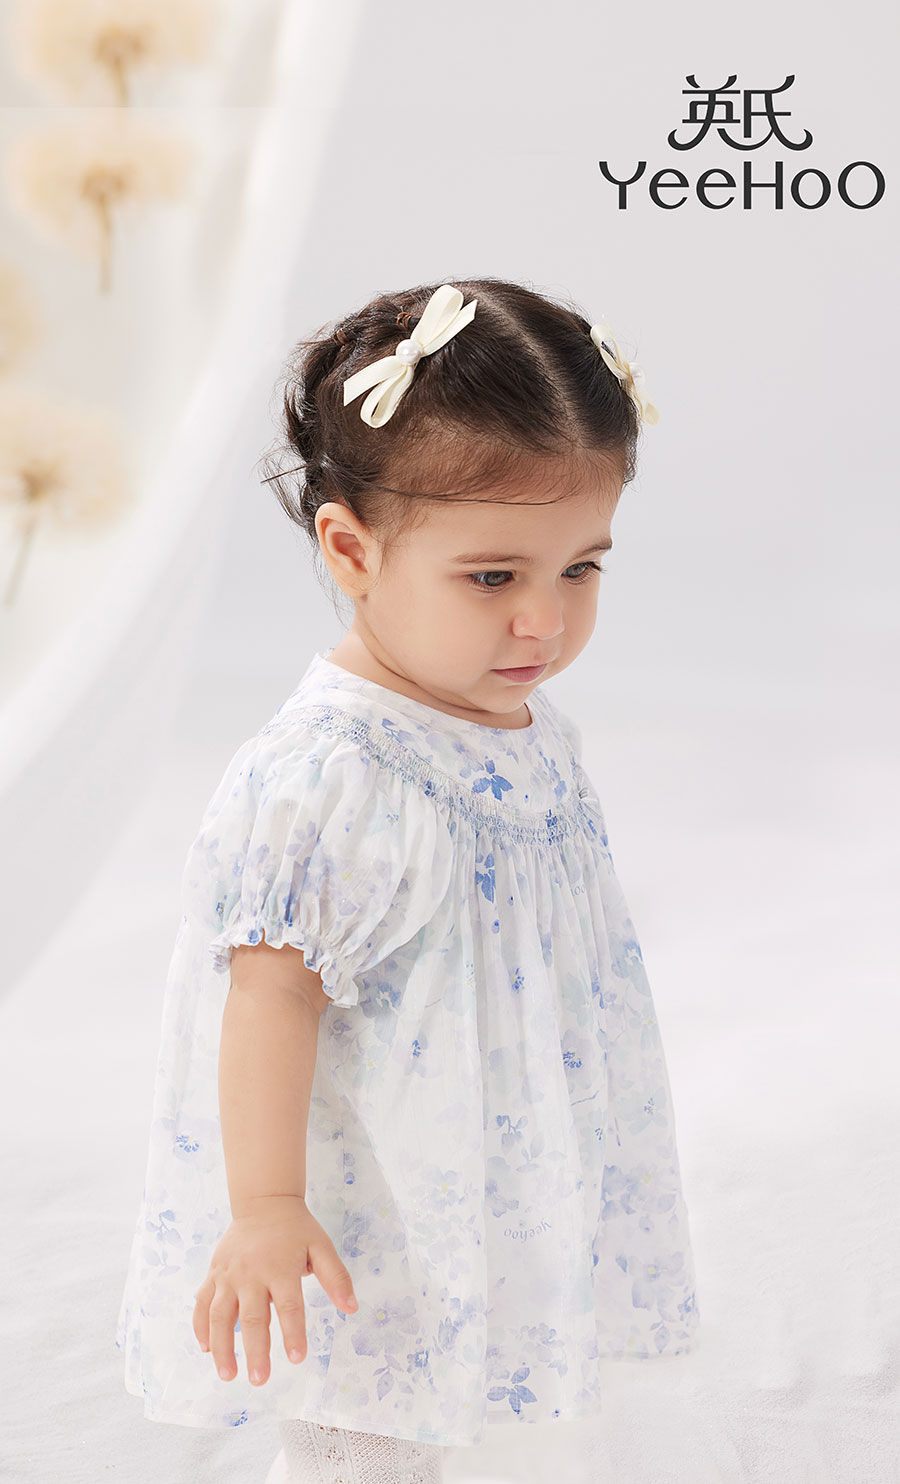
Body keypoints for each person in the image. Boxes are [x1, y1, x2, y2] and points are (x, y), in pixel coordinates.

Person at [115, 278, 700, 1483]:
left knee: (484, 1386)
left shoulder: (521, 724)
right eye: (492, 578)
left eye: (582, 568)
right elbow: (268, 995)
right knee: (369, 1404)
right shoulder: (336, 773)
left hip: (485, 1149)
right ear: (353, 549)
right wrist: (267, 1204)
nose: (544, 621)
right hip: (369, 1178)